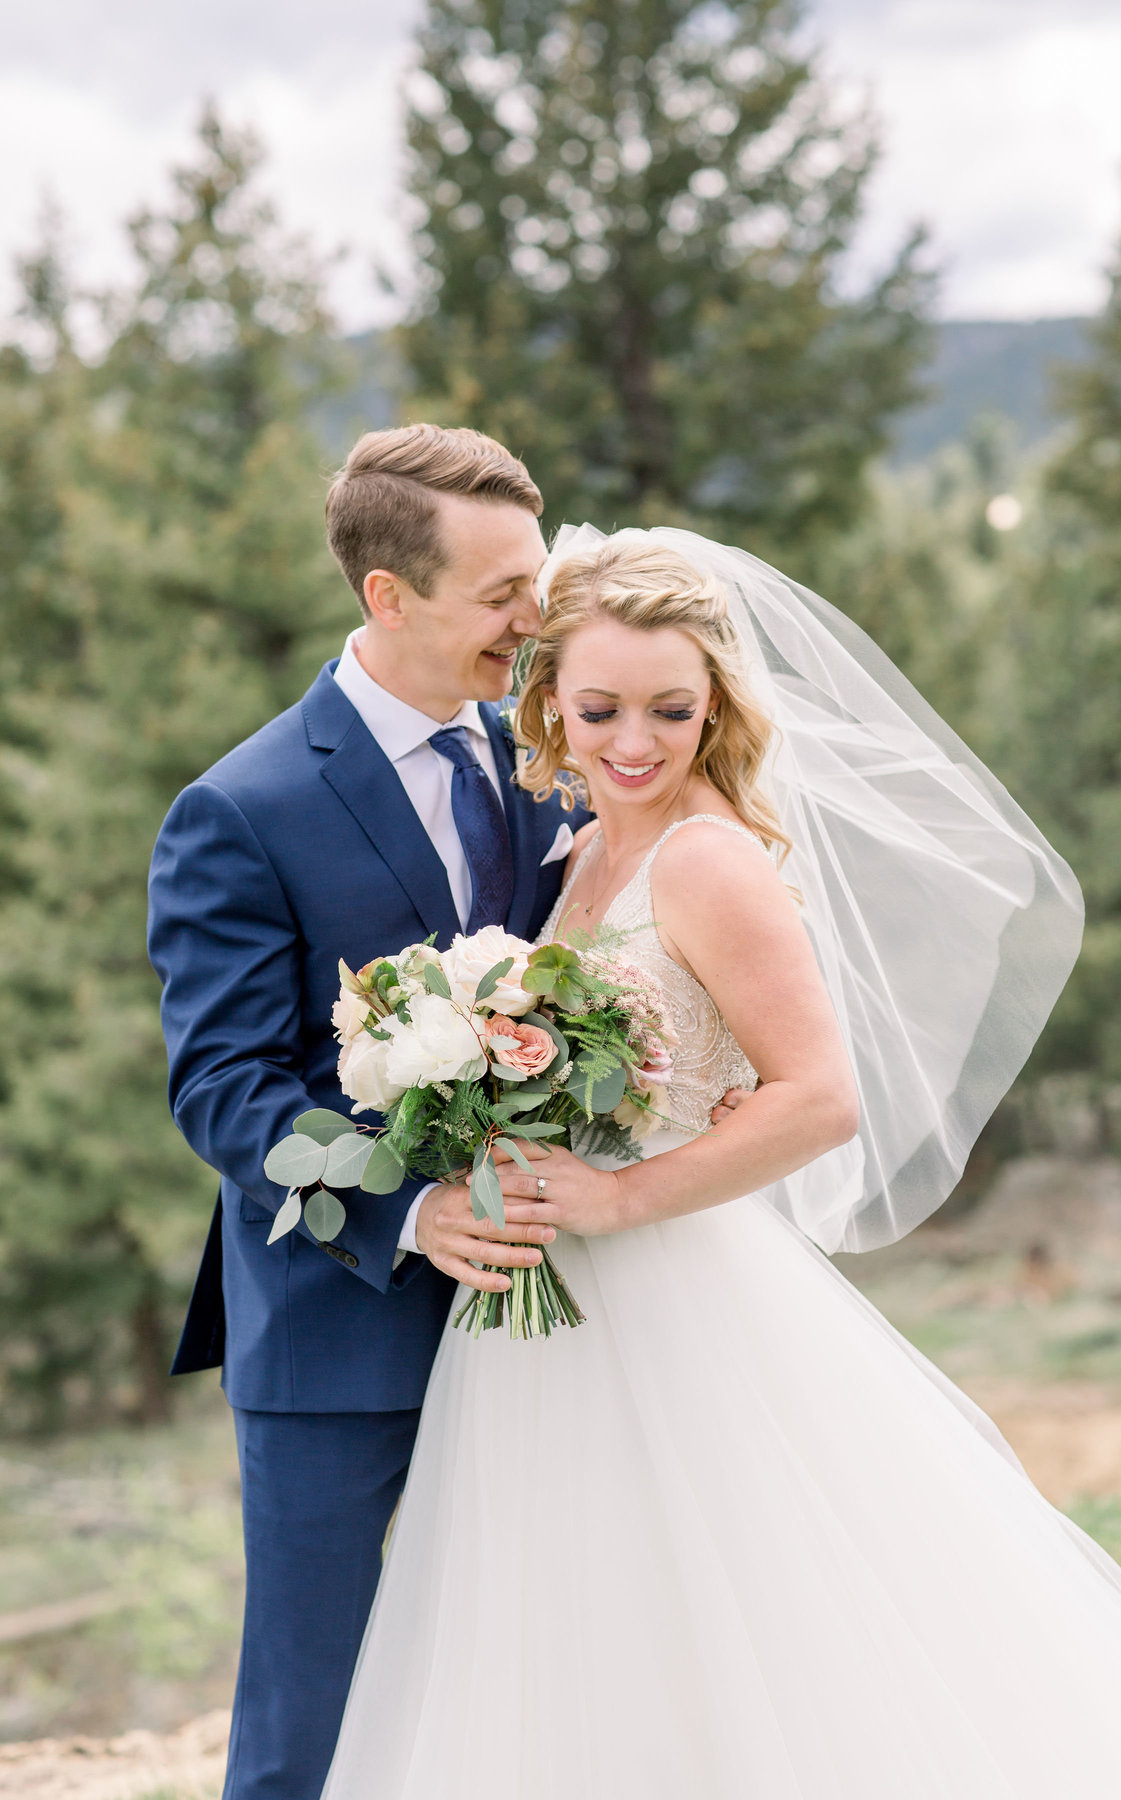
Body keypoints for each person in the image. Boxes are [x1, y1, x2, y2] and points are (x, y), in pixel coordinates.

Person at [321, 530, 1121, 1799]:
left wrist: (620, 1194)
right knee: (582, 1613)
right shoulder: (578, 852)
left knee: (746, 1607)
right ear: (551, 705)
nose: (638, 740)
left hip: (677, 1284)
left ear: (716, 705)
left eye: (673, 709)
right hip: (545, 1306)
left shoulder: (711, 858)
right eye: (603, 708)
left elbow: (821, 1098)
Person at [147, 426, 583, 1800]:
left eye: (541, 576)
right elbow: (225, 1088)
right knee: (312, 1716)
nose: (538, 618)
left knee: (544, 1673)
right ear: (390, 596)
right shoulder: (240, 808)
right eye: (504, 592)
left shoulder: (548, 759)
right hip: (336, 1328)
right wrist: (408, 1212)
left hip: (553, 1306)